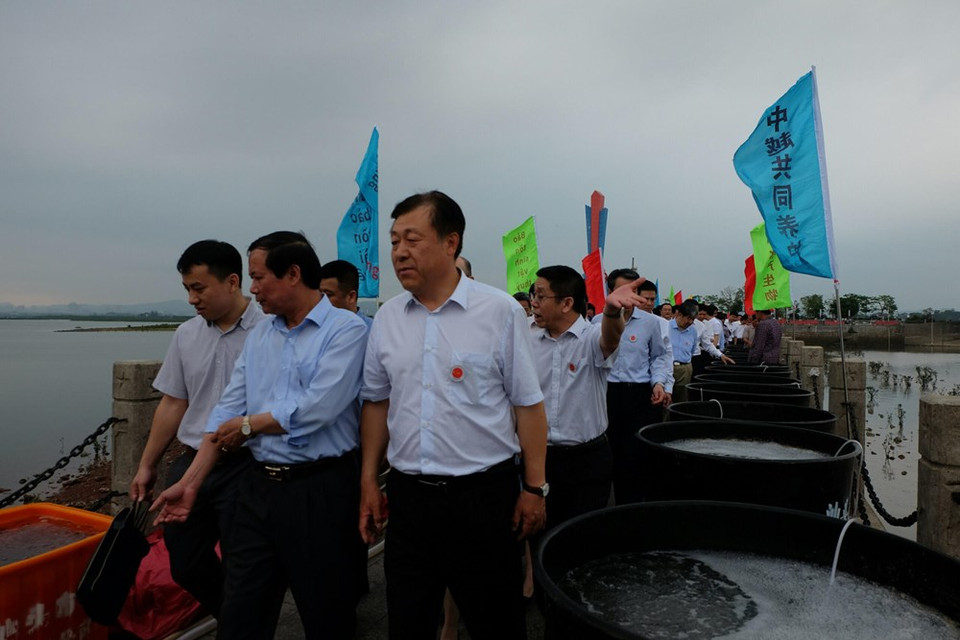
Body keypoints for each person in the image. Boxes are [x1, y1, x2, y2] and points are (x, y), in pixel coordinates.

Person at [153, 231, 368, 639]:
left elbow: (318, 407)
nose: (251, 289)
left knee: (326, 614)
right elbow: (226, 412)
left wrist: (251, 425)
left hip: (319, 490)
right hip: (258, 489)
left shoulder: (346, 330)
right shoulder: (263, 336)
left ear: (292, 274)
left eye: (258, 277)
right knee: (240, 615)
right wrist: (191, 482)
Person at [358, 191, 548, 639]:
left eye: (412, 239)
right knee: (407, 620)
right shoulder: (388, 318)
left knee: (495, 621)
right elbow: (377, 402)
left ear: (450, 243)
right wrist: (369, 479)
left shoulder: (497, 310)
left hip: (482, 498)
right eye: (393, 241)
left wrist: (535, 488)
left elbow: (528, 405)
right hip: (409, 500)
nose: (399, 252)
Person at [129, 240, 264, 619]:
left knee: (244, 561)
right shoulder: (187, 335)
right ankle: (235, 616)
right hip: (192, 462)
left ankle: (242, 621)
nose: (191, 299)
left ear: (233, 281)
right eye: (187, 288)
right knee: (184, 559)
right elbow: (173, 402)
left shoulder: (269, 331)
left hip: (248, 462)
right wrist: (148, 465)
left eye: (198, 288)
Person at [529, 265, 642, 528]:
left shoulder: (591, 337)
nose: (533, 302)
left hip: (586, 461)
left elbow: (610, 338)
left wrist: (612, 312)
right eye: (534, 295)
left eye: (540, 296)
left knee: (579, 536)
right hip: (537, 458)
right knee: (535, 533)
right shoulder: (526, 335)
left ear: (566, 303)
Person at [604, 268, 671, 504]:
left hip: (640, 397)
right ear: (610, 292)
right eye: (622, 290)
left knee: (635, 458)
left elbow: (659, 357)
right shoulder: (596, 322)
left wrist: (659, 383)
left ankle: (628, 509)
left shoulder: (651, 322)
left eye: (633, 290)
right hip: (606, 396)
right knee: (608, 455)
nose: (628, 296)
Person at [319, 259, 373, 327]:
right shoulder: (314, 329)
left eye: (328, 295)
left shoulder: (374, 331)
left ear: (351, 297)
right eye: (319, 294)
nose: (321, 300)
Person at [667, 300, 701, 404]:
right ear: (679, 314)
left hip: (685, 368)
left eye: (693, 319)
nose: (690, 322)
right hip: (667, 367)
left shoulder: (693, 331)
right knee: (666, 397)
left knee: (681, 399)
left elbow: (692, 350)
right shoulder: (665, 327)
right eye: (688, 318)